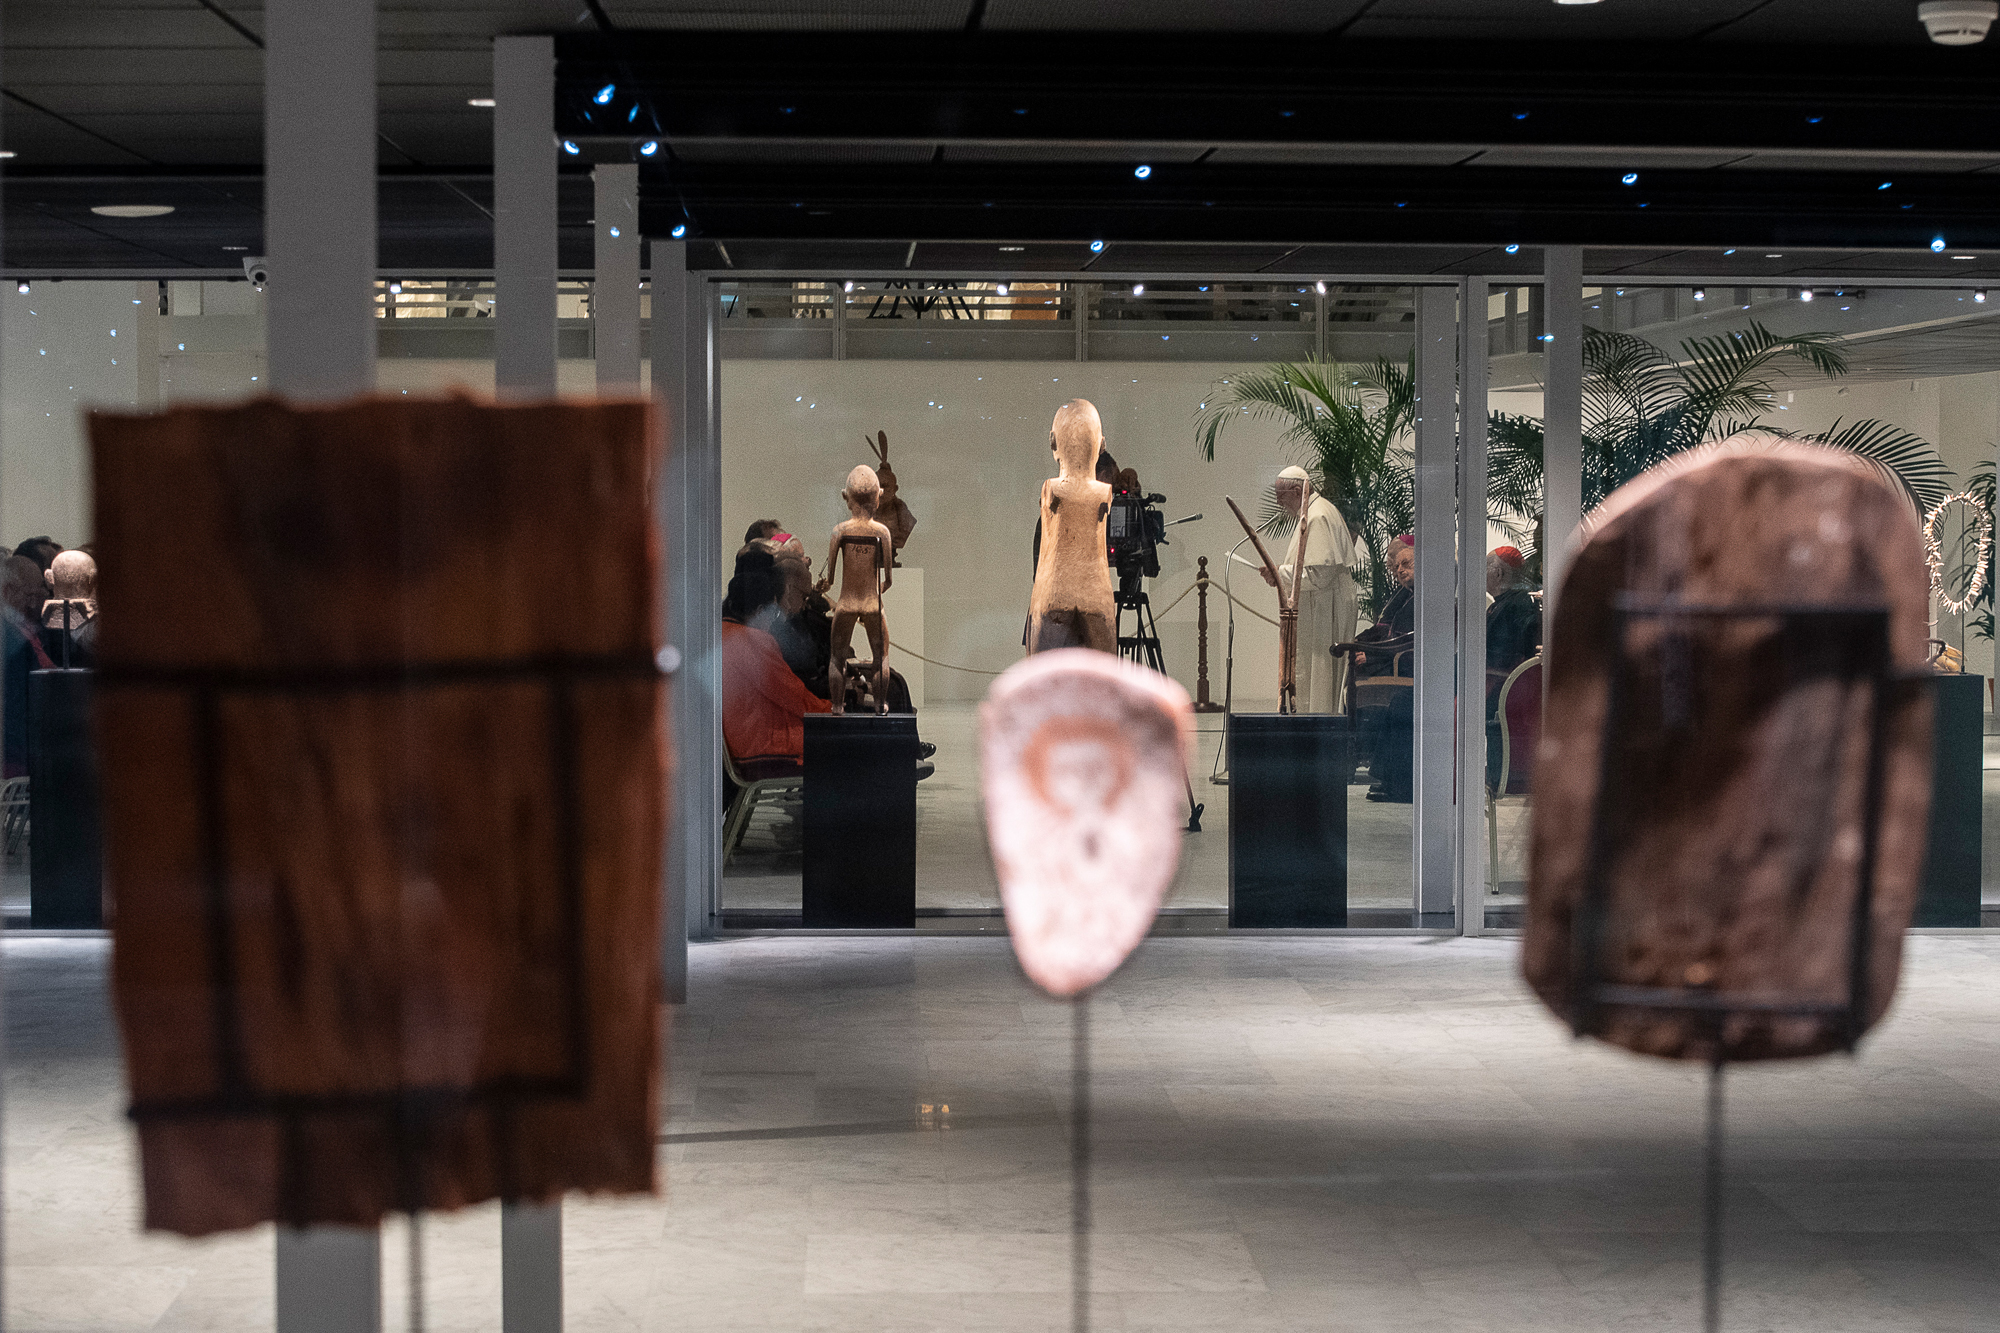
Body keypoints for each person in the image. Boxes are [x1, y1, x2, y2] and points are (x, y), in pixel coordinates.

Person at [721, 548, 830, 790]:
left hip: (743, 743)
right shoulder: (754, 640)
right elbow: (795, 698)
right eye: (773, 611)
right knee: (848, 745)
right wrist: (835, 712)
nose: (774, 619)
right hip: (763, 749)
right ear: (762, 609)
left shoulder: (720, 633)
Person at [1259, 466, 1360, 713]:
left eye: (1281, 496)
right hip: (1321, 605)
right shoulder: (1313, 512)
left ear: (1297, 491)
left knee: (1320, 672)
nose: (1279, 503)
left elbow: (1319, 575)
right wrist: (1279, 574)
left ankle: (1319, 720)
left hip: (1325, 608)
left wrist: (1279, 572)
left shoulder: (1318, 515)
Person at [1484, 545, 1542, 790]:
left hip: (1502, 683)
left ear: (1498, 573)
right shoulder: (1506, 603)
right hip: (1498, 678)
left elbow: (1504, 655)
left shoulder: (1516, 605)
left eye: (1485, 568)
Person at [2, 556, 54, 779]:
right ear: (8, 592)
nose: (38, 602)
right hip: (17, 757)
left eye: (41, 594)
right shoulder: (10, 637)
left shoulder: (29, 630)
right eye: (32, 595)